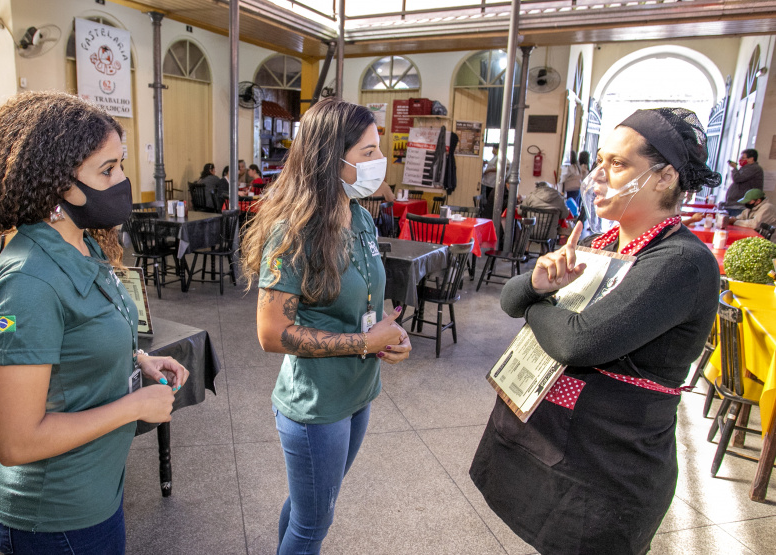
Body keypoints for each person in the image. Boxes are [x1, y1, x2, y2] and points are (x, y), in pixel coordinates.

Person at [470, 107, 721, 555]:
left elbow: (576, 341)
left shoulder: (680, 262)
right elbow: (511, 300)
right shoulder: (602, 246)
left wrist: (539, 301)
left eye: (619, 164)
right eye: (600, 160)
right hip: (562, 442)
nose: (598, 175)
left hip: (608, 467)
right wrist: (534, 285)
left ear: (664, 178)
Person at [0, 91, 190, 554]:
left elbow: (78, 336)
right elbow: (14, 442)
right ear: (59, 184)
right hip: (55, 515)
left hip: (97, 488)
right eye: (107, 170)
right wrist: (134, 407)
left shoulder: (85, 245)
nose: (122, 181)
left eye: (121, 165)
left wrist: (137, 359)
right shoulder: (27, 280)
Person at [239, 98, 412, 554]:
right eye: (368, 153)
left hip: (358, 389)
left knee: (308, 508)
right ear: (329, 159)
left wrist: (390, 335)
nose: (380, 164)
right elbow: (271, 333)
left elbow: (370, 298)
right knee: (314, 524)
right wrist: (363, 341)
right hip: (316, 404)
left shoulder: (361, 218)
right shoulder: (294, 231)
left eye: (379, 151)